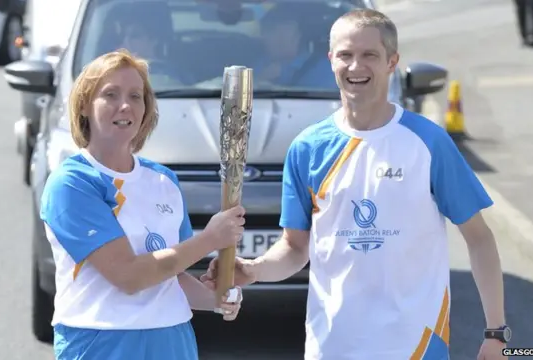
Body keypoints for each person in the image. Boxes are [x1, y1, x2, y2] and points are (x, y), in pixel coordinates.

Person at [201, 8, 509, 360]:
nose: (355, 67)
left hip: (416, 345)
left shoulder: (428, 142)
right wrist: (253, 269)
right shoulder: (308, 148)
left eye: (369, 56)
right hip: (333, 345)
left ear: (392, 62)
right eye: (345, 55)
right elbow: (295, 248)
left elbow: (479, 237)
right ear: (331, 60)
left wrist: (495, 332)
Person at [39, 49, 245, 360]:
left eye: (136, 96)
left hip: (173, 341)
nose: (125, 105)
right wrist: (210, 239)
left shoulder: (163, 181)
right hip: (102, 343)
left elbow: (171, 276)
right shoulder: (72, 184)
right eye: (110, 94)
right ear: (84, 105)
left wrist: (216, 298)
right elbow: (130, 276)